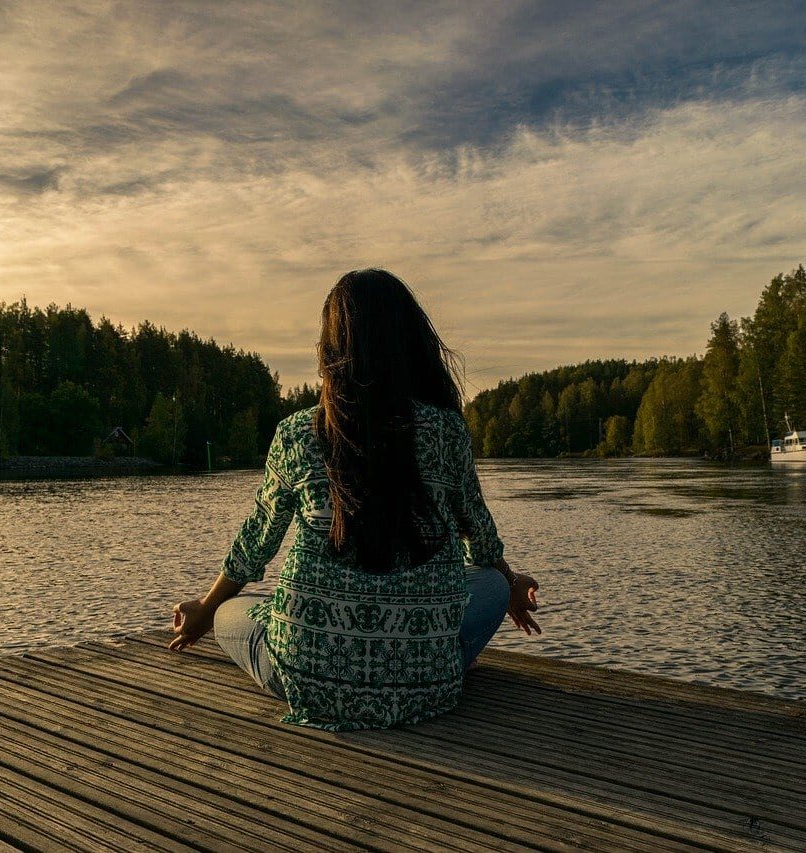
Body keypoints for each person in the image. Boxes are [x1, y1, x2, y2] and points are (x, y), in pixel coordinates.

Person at [169, 269, 540, 731]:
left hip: (308, 679)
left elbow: (256, 545)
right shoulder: (446, 431)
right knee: (488, 583)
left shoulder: (297, 433)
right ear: (409, 343)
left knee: (230, 610)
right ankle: (426, 659)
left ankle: (316, 646)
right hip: (426, 686)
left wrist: (205, 609)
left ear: (330, 350)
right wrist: (509, 580)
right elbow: (480, 539)